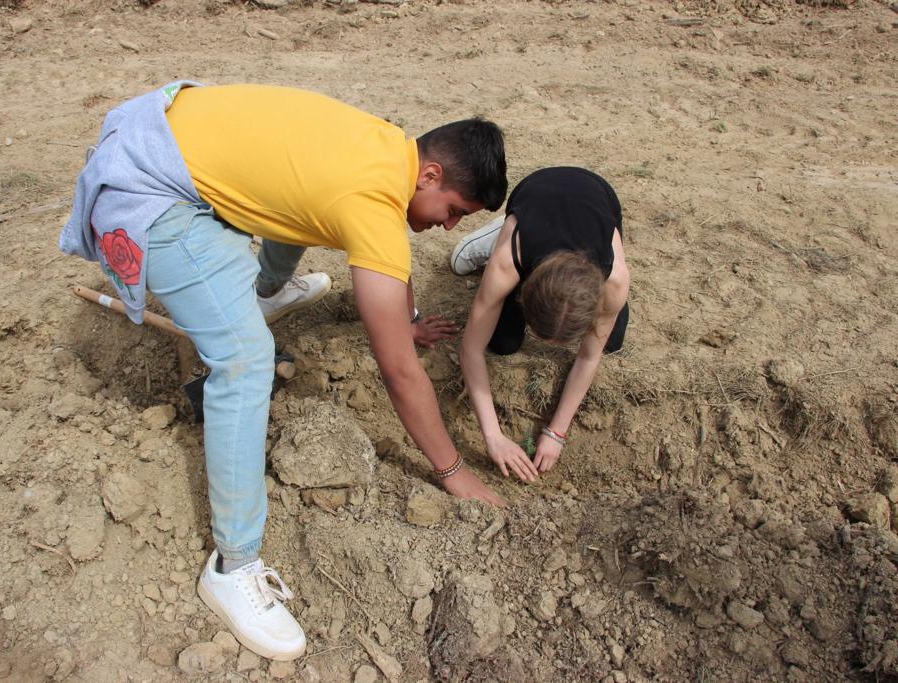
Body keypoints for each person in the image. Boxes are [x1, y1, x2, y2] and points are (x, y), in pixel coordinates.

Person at [59, 81, 507, 661]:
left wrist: (409, 316)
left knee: (293, 207)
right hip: (144, 189)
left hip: (158, 122)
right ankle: (233, 566)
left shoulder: (382, 146)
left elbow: (372, 249)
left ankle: (261, 292)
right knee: (246, 362)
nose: (450, 227)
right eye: (455, 212)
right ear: (430, 175)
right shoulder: (372, 200)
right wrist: (452, 472)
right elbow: (398, 369)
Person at [450, 167, 630, 483]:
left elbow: (589, 357)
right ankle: (493, 235)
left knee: (611, 342)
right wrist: (493, 437)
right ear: (522, 296)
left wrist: (557, 431)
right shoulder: (509, 263)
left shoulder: (614, 283)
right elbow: (471, 349)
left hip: (596, 196)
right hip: (536, 195)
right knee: (502, 343)